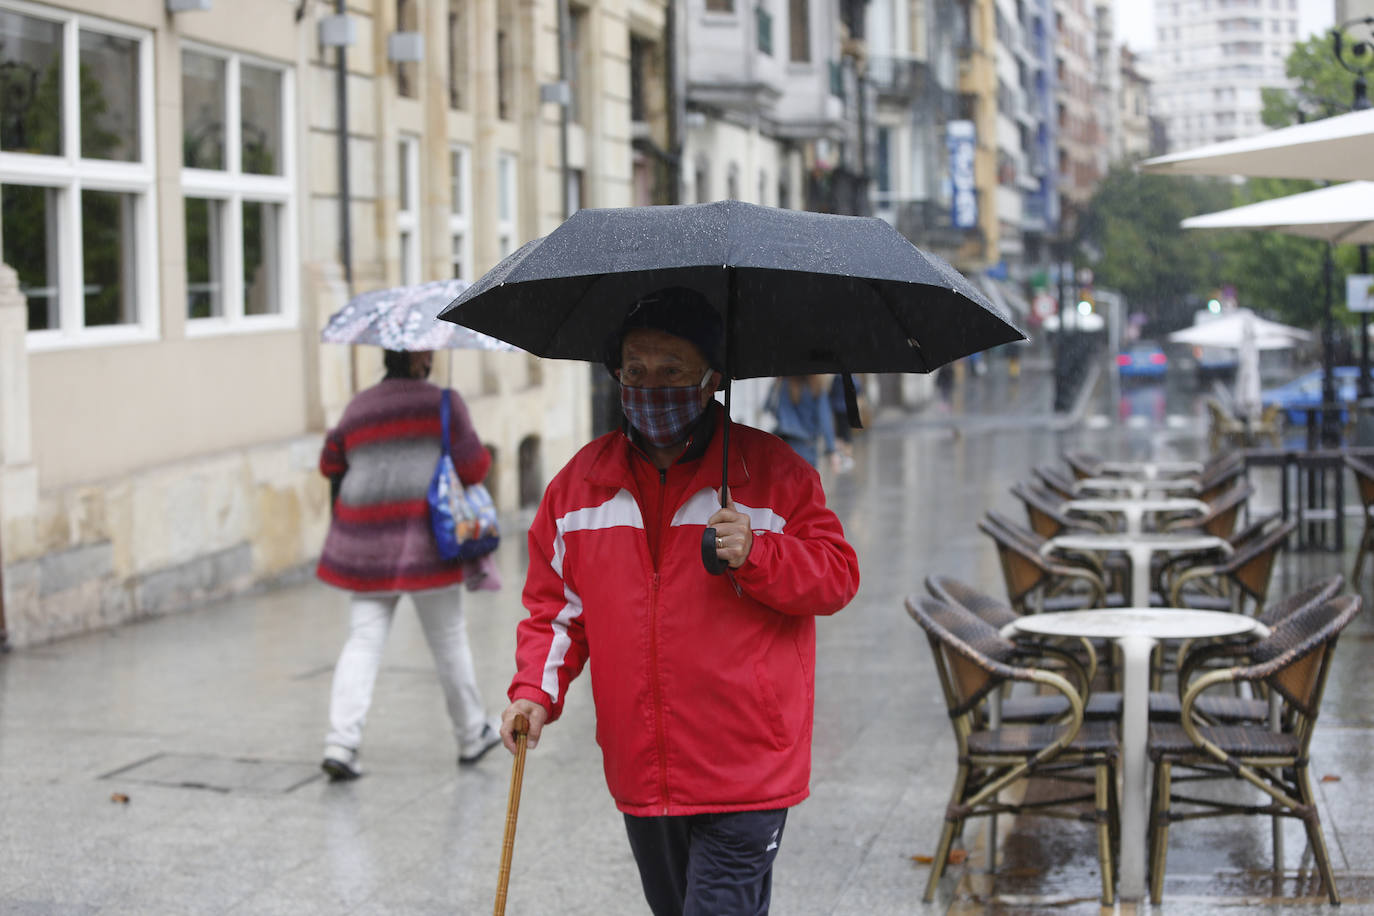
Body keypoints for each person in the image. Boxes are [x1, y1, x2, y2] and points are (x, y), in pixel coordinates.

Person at [499, 287, 860, 916]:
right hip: (643, 769)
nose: (650, 385)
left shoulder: (773, 473)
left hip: (747, 766)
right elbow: (557, 610)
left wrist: (759, 554)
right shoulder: (578, 489)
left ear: (711, 379)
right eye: (635, 371)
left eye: (672, 370)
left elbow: (836, 577)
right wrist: (534, 691)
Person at [316, 349, 503, 781]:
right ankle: (471, 733)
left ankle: (341, 743)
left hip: (365, 543)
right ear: (418, 357)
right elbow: (474, 468)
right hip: (427, 544)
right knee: (449, 639)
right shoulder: (444, 402)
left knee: (362, 641)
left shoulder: (359, 405)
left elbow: (330, 463)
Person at [769, 375, 841, 472]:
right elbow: (824, 418)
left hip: (786, 444)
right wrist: (831, 450)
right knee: (806, 484)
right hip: (807, 445)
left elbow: (772, 408)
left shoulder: (783, 384)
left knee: (787, 484)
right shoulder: (816, 387)